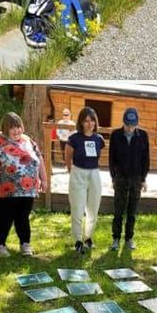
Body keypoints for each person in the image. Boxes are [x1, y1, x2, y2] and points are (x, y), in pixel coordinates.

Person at [0, 112, 46, 257]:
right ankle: (0, 245)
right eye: (12, 128)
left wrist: (43, 178)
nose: (16, 130)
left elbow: (39, 158)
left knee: (23, 216)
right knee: (5, 216)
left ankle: (25, 244)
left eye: (18, 127)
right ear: (5, 129)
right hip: (4, 187)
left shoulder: (28, 140)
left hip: (28, 188)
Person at [65, 107, 105, 254]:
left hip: (94, 173)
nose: (90, 123)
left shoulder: (99, 139)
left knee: (93, 209)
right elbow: (68, 156)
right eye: (86, 121)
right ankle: (77, 240)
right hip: (78, 173)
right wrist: (71, 170)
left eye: (92, 120)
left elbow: (98, 156)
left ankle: (88, 237)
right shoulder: (74, 138)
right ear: (81, 123)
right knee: (78, 208)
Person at [108, 107, 149, 251]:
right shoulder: (115, 135)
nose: (130, 128)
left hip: (136, 178)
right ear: (123, 122)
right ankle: (116, 238)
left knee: (132, 211)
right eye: (127, 125)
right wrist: (113, 177)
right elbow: (111, 158)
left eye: (133, 125)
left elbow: (146, 159)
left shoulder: (143, 136)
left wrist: (143, 179)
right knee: (118, 210)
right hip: (121, 178)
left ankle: (129, 238)